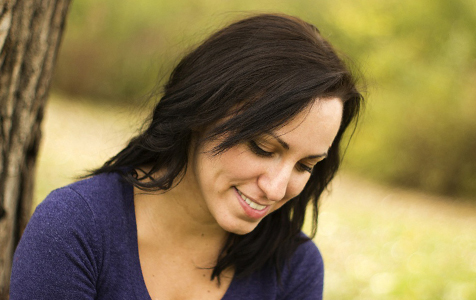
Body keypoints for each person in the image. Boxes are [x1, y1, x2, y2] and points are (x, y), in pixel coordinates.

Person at [10, 13, 363, 299]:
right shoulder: (75, 228)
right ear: (202, 114)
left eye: (305, 166)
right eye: (263, 148)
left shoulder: (294, 269)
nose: (275, 189)